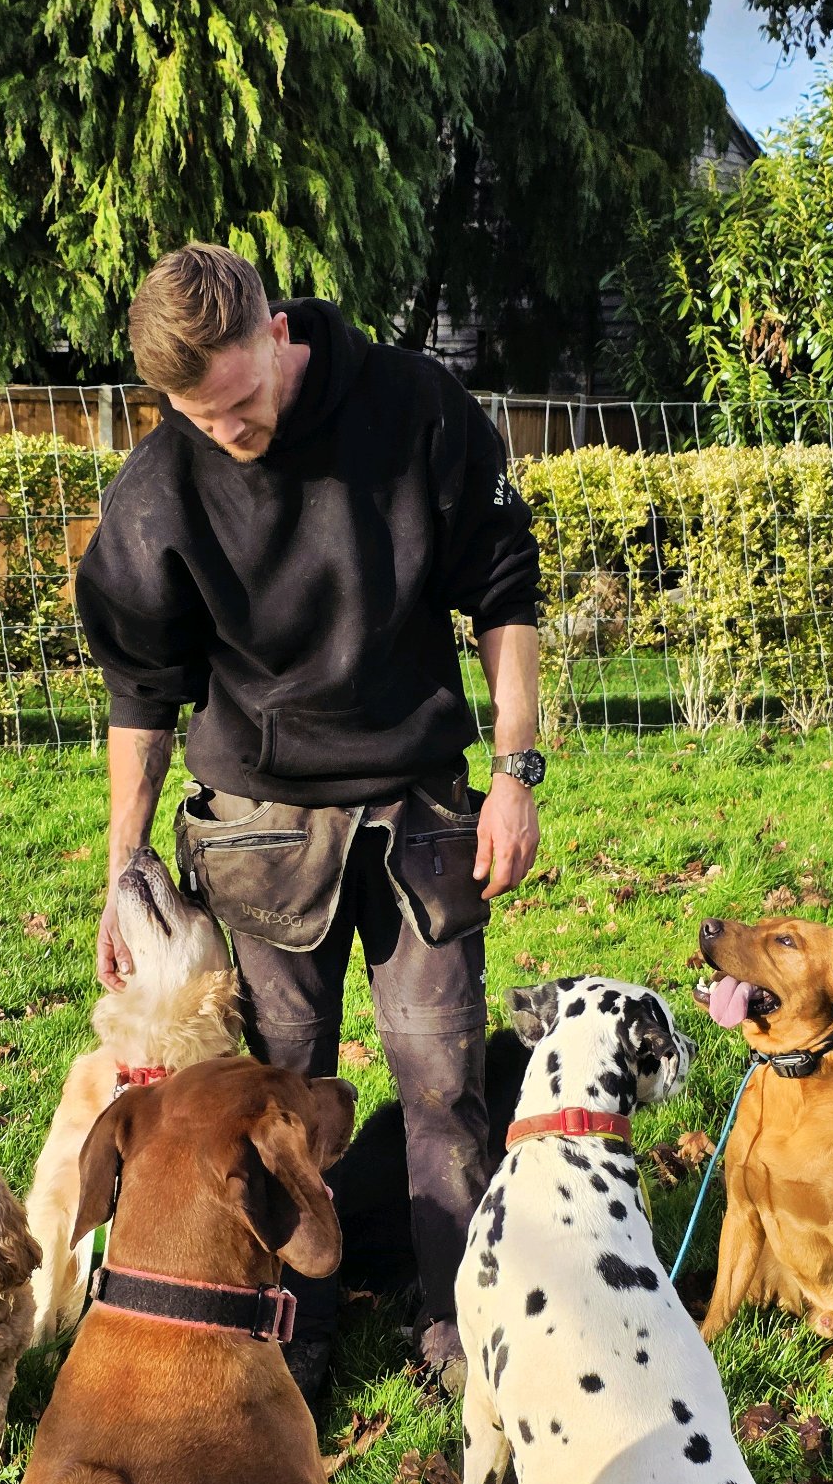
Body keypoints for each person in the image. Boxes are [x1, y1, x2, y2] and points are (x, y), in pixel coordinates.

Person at [75, 242, 544, 1400]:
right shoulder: (159, 488)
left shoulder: (416, 410)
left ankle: (458, 1328)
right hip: (259, 834)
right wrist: (124, 869)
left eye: (239, 401)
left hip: (419, 811)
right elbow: (141, 694)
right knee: (278, 1092)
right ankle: (297, 1325)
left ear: (276, 332)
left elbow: (504, 590)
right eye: (197, 415)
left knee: (443, 1086)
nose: (226, 431)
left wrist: (518, 770)